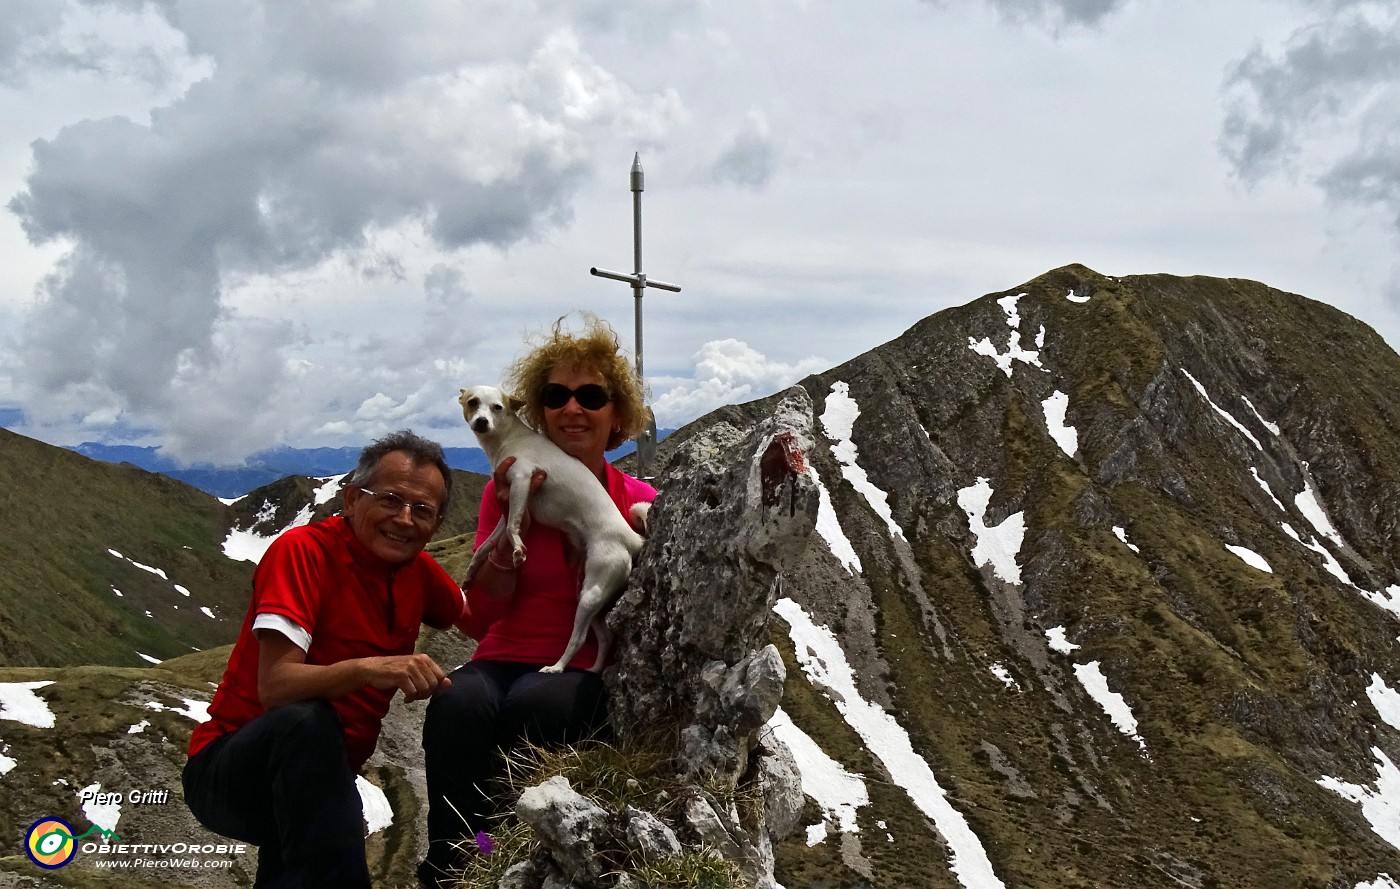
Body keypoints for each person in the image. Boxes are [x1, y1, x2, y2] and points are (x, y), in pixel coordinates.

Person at [419, 315, 657, 886]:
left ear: (617, 416)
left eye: (592, 396)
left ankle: (515, 860)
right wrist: (508, 538)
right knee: (456, 708)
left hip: (574, 666)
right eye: (557, 395)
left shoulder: (637, 501)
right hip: (501, 655)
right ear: (538, 411)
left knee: (538, 707)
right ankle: (463, 860)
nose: (573, 408)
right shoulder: (508, 486)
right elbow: (479, 621)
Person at [184, 430, 464, 888]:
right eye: (390, 499)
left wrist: (512, 531)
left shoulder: (416, 571)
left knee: (302, 860)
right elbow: (275, 687)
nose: (405, 519)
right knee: (307, 723)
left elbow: (479, 617)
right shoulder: (303, 551)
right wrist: (372, 667)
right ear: (352, 499)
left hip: (321, 778)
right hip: (234, 768)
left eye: (423, 510)